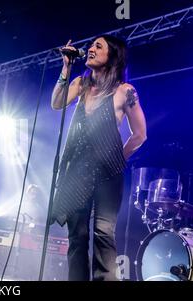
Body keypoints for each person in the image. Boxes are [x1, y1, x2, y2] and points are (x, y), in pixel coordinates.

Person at [50, 35, 147, 281]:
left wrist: (117, 158)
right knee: (77, 237)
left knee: (104, 235)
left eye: (98, 46)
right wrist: (65, 66)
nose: (91, 49)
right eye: (91, 45)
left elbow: (140, 135)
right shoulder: (80, 84)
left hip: (108, 174)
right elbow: (57, 103)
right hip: (77, 172)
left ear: (111, 56)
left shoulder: (124, 91)